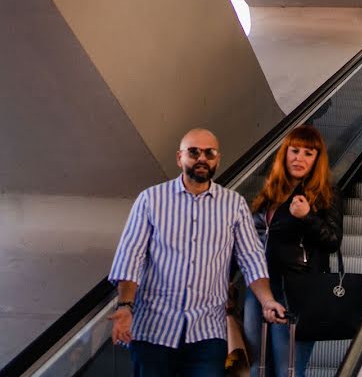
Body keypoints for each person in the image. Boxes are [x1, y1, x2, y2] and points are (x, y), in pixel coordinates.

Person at [108, 128, 286, 377]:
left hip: (207, 333)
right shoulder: (151, 200)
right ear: (180, 158)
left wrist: (267, 301)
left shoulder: (234, 205)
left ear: (217, 160)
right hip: (153, 330)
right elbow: (131, 257)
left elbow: (251, 258)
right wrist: (125, 306)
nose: (202, 158)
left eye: (209, 153)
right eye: (194, 152)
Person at [245, 124, 342, 377]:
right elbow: (249, 241)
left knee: (288, 370)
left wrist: (307, 217)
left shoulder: (325, 194)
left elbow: (333, 241)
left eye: (308, 153)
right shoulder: (269, 193)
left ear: (317, 160)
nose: (299, 158)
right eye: (294, 150)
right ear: (284, 153)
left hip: (297, 291)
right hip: (258, 287)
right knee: (255, 367)